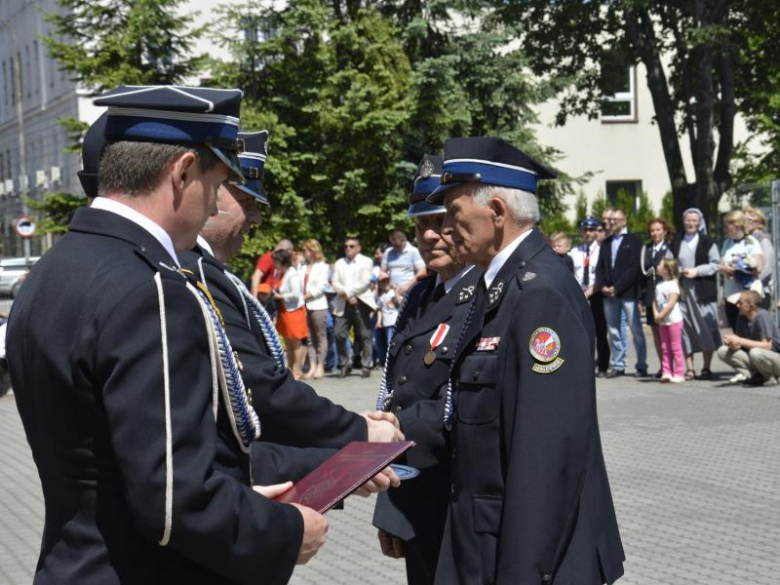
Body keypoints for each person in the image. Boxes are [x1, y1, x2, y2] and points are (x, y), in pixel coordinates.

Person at [6, 85, 328, 584]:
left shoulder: (51, 270)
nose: (215, 204)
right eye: (217, 181)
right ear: (182, 173)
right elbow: (178, 500)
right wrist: (283, 530)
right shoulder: (151, 289)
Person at [427, 137, 624, 584]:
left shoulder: (539, 294)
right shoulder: (497, 286)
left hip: (522, 556)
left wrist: (523, 572)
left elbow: (546, 456)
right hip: (484, 543)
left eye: (455, 216)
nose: (445, 230)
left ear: (497, 211)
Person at [180, 131, 403, 451]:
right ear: (210, 193)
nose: (255, 217)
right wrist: (357, 431)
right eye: (246, 202)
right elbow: (260, 387)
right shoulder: (197, 271)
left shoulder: (206, 269)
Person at [373, 154, 485, 585]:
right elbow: (393, 393)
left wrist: (391, 428)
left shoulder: (486, 298)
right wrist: (392, 508)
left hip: (461, 503)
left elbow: (461, 406)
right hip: (417, 498)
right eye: (422, 225)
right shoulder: (421, 296)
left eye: (442, 222)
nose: (431, 236)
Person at [596, 207, 648, 377]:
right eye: (610, 220)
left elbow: (634, 269)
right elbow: (601, 267)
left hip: (628, 294)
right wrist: (603, 286)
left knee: (636, 331)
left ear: (624, 221)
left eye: (616, 220)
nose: (612, 223)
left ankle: (641, 365)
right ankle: (618, 365)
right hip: (608, 295)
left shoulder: (634, 241)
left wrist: (617, 287)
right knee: (613, 331)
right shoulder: (606, 242)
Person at [671, 208, 722, 380]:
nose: (691, 223)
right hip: (683, 290)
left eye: (694, 221)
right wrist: (675, 269)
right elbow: (670, 261)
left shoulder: (708, 242)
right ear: (684, 221)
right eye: (688, 220)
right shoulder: (676, 241)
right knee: (686, 329)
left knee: (706, 328)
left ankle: (706, 367)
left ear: (699, 222)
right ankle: (690, 368)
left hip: (703, 291)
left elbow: (716, 264)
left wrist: (697, 271)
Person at [570, 216, 610, 376]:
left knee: (600, 331)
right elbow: (571, 274)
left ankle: (602, 366)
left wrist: (589, 293)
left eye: (591, 230)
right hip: (579, 295)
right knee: (582, 332)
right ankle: (585, 363)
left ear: (596, 232)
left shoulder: (602, 250)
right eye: (585, 229)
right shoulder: (575, 251)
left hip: (596, 294)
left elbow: (602, 276)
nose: (588, 233)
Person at [332, 237, 377, 377]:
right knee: (338, 333)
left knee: (365, 335)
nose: (348, 248)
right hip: (343, 302)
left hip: (361, 301)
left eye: (352, 246)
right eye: (346, 246)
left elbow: (365, 282)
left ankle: (366, 364)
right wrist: (347, 296)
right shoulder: (339, 263)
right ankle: (345, 363)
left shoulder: (366, 261)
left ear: (359, 247)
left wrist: (348, 292)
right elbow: (334, 282)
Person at [718, 290, 780, 385]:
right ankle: (755, 375)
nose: (737, 306)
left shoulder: (762, 316)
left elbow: (767, 345)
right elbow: (740, 346)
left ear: (751, 305)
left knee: (755, 352)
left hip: (774, 357)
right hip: (758, 358)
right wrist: (732, 343)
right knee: (723, 351)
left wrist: (740, 341)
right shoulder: (741, 317)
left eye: (740, 303)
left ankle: (770, 377)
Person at [640, 218, 674, 377]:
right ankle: (663, 366)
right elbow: (642, 273)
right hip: (650, 294)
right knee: (655, 331)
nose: (655, 233)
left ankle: (674, 365)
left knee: (669, 330)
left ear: (665, 231)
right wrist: (641, 297)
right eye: (652, 230)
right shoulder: (646, 248)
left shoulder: (670, 247)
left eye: (658, 230)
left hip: (666, 293)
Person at [719, 210, 764, 331]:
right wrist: (724, 269)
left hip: (747, 295)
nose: (725, 229)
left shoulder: (751, 242)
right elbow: (721, 265)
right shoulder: (727, 243)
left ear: (737, 225)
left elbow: (758, 268)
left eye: (727, 226)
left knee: (749, 330)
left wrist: (740, 269)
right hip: (731, 294)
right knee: (735, 327)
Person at [273, 249, 309, 379]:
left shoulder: (292, 274)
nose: (274, 264)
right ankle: (290, 369)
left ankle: (297, 370)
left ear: (281, 261)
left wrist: (280, 296)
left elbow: (296, 294)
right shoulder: (283, 274)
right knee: (288, 342)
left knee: (296, 342)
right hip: (285, 311)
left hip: (294, 312)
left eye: (275, 261)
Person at [301, 238, 330, 379]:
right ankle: (312, 365)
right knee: (309, 337)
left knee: (320, 336)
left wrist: (307, 296)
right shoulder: (302, 266)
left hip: (317, 305)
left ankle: (320, 365)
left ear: (312, 251)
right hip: (303, 305)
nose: (303, 252)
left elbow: (322, 286)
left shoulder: (323, 266)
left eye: (305, 250)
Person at [653, 258, 685, 383]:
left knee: (675, 347)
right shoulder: (659, 285)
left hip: (674, 320)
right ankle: (666, 371)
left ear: (666, 269)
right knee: (664, 347)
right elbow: (655, 301)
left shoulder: (673, 285)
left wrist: (661, 314)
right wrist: (656, 314)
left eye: (660, 265)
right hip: (663, 321)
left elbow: (671, 303)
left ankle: (679, 373)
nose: (657, 266)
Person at [744, 207, 775, 308]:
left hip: (761, 290)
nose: (745, 223)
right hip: (747, 290)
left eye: (749, 220)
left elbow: (768, 268)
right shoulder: (746, 240)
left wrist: (751, 282)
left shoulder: (763, 240)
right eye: (744, 220)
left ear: (759, 222)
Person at [382, 229, 427, 296]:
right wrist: (385, 285)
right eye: (394, 246)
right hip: (390, 290)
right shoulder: (388, 252)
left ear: (404, 240)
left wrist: (407, 286)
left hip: (409, 289)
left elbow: (422, 272)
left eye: (398, 246)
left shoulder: (414, 251)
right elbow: (382, 271)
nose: (396, 248)